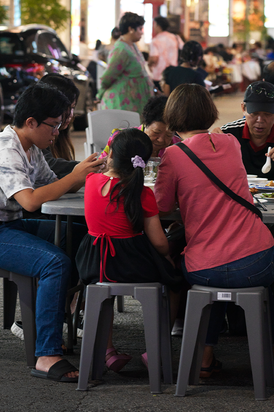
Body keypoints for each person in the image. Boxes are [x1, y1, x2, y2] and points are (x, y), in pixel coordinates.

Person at [0, 85, 104, 382]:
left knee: (84, 234)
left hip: (8, 226)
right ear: (31, 123)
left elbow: (55, 187)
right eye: (55, 125)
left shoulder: (32, 149)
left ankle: (65, 316)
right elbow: (31, 200)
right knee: (54, 262)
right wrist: (76, 175)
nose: (58, 132)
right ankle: (47, 354)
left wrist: (92, 173)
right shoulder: (5, 150)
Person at [155, 84, 274, 378]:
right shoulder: (230, 143)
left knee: (210, 281)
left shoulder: (172, 156)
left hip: (204, 268)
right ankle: (270, 356)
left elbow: (161, 206)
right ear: (210, 112)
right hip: (258, 262)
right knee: (264, 281)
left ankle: (205, 355)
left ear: (172, 114)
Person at [75, 128, 183, 372]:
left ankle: (107, 350)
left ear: (110, 154)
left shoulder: (92, 181)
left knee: (105, 296)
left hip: (93, 263)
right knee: (175, 280)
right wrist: (167, 253)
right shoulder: (142, 193)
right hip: (130, 263)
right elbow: (158, 242)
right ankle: (156, 349)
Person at [218, 81, 274, 182]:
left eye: (267, 114)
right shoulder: (227, 134)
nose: (260, 120)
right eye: (254, 113)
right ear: (243, 108)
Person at [97, 12, 153, 115]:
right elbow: (109, 76)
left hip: (133, 102)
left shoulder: (131, 46)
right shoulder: (121, 49)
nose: (142, 32)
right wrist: (99, 95)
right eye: (140, 29)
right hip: (123, 102)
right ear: (131, 29)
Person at [37, 74, 81, 178]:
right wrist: (89, 167)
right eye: (67, 108)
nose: (71, 114)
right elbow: (49, 165)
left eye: (73, 107)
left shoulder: (59, 134)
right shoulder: (35, 135)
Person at [148, 17, 183, 83]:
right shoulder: (176, 37)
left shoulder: (155, 41)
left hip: (159, 75)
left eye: (154, 25)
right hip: (174, 73)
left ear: (158, 26)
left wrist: (149, 65)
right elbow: (184, 50)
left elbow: (154, 59)